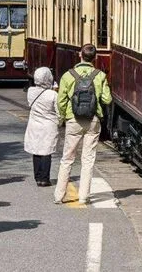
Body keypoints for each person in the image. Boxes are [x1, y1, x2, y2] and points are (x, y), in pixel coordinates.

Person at [54, 44, 112, 205]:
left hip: (73, 120)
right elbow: (107, 99)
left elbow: (61, 101)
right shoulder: (99, 75)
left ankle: (59, 195)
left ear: (80, 55)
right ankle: (83, 196)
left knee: (67, 158)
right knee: (88, 160)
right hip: (93, 121)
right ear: (95, 57)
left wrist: (64, 117)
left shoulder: (68, 75)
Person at [24, 67, 59, 186]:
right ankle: (45, 178)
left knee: (36, 150)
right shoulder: (53, 94)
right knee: (46, 151)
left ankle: (37, 177)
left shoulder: (30, 91)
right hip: (48, 125)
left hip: (34, 124)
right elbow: (58, 111)